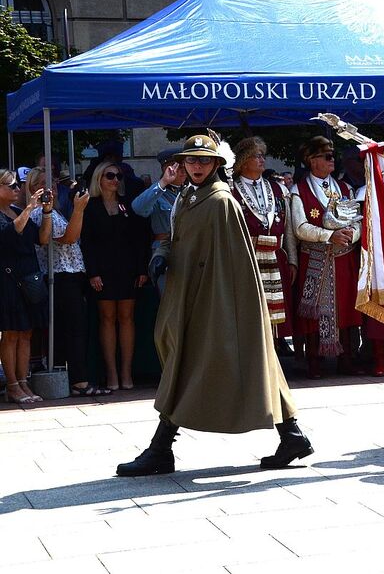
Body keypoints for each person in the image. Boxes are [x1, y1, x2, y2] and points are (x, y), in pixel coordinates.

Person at [116, 134, 311, 476]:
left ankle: (161, 449)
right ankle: (291, 434)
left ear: (217, 164)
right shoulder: (190, 197)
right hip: (193, 293)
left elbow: (229, 262)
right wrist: (161, 255)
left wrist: (219, 308)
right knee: (252, 363)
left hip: (214, 300)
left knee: (192, 365)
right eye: (191, 160)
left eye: (203, 160)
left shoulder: (220, 201)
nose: (196, 166)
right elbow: (179, 241)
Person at [25, 169, 107, 397]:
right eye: (42, 184)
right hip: (60, 275)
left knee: (66, 330)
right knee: (74, 329)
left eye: (50, 183)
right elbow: (68, 238)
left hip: (67, 274)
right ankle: (79, 381)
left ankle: (71, 377)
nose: (48, 188)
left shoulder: (51, 211)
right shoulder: (42, 213)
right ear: (33, 189)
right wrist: (79, 209)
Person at [288, 136, 363, 378]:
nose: (332, 160)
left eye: (332, 155)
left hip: (344, 258)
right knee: (314, 312)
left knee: (347, 309)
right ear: (311, 160)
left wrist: (350, 235)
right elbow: (299, 227)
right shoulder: (298, 191)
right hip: (316, 259)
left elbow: (359, 222)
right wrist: (329, 235)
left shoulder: (344, 188)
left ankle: (347, 359)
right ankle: (315, 361)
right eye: (326, 156)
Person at [80, 160, 150, 390]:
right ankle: (111, 374)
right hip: (102, 271)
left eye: (118, 176)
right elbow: (87, 242)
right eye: (110, 176)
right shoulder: (90, 206)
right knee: (107, 319)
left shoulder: (127, 205)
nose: (115, 180)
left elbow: (138, 239)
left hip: (127, 268)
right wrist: (93, 272)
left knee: (127, 318)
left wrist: (141, 268)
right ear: (99, 179)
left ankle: (126, 373)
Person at [231, 137, 298, 356]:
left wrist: (292, 260)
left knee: (277, 317)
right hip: (247, 260)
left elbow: (288, 228)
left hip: (276, 259)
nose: (262, 159)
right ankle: (254, 361)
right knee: (251, 314)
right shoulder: (231, 191)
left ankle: (276, 362)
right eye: (256, 155)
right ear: (243, 160)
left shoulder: (278, 189)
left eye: (262, 155)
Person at [0, 170, 51, 404]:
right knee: (11, 334)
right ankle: (12, 385)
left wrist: (47, 211)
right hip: (8, 281)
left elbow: (41, 239)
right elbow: (10, 235)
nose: (17, 189)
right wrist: (30, 208)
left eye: (17, 185)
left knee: (26, 333)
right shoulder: (12, 215)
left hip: (29, 281)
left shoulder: (18, 212)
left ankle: (23, 382)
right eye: (11, 186)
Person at [132, 148, 186, 294]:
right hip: (165, 251)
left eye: (185, 166)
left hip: (188, 250)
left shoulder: (189, 192)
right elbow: (138, 208)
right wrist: (163, 182)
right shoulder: (157, 192)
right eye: (179, 167)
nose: (183, 171)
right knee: (169, 302)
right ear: (166, 168)